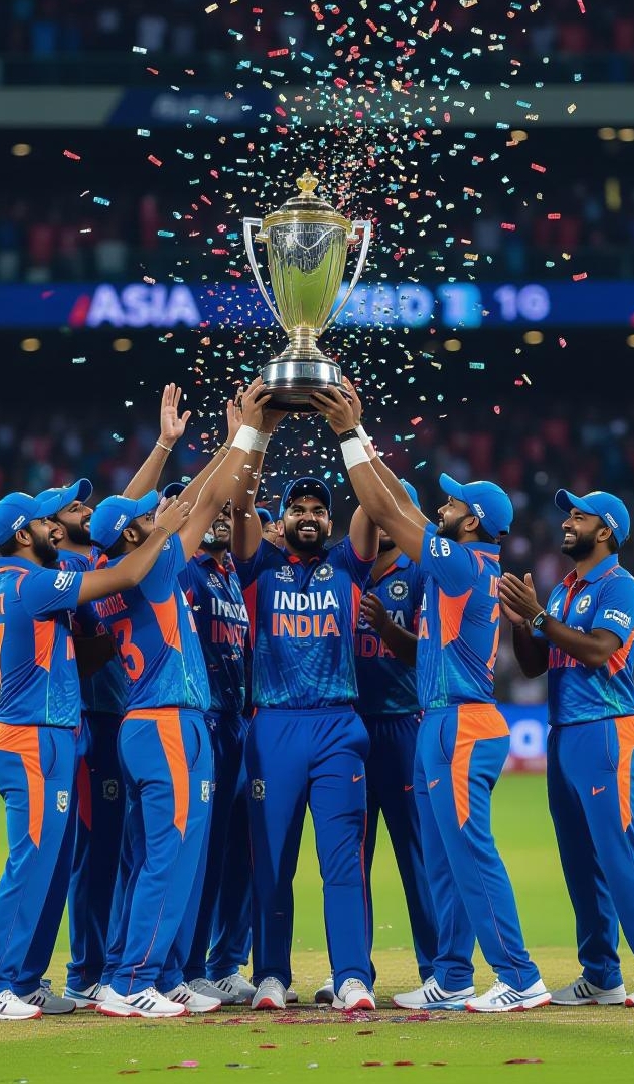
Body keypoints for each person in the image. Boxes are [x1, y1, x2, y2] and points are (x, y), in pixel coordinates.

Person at [312, 383, 549, 1013]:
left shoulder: (462, 566)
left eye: (452, 503)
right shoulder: (464, 564)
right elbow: (396, 507)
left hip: (461, 724)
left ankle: (519, 976)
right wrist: (362, 438)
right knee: (443, 858)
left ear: (470, 522)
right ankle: (451, 975)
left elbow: (387, 513)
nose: (441, 507)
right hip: (442, 719)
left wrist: (350, 434)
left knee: (468, 854)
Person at [0, 485, 190, 1020]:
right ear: (25, 534)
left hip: (44, 736)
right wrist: (163, 530)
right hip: (33, 738)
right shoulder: (34, 584)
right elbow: (124, 576)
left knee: (47, 866)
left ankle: (20, 981)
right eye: (46, 522)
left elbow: (72, 651)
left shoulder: (15, 584)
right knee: (30, 866)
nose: (55, 529)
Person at [91, 380, 271, 1019]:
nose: (157, 517)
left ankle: (152, 973)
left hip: (149, 722)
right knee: (169, 859)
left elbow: (178, 507)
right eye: (146, 519)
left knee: (153, 857)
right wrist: (243, 437)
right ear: (132, 536)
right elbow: (205, 502)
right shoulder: (157, 568)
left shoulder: (118, 575)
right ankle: (133, 981)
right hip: (169, 723)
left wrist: (202, 445)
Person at [498, 489, 634, 1008]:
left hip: (607, 732)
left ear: (604, 531)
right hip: (564, 733)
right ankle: (602, 974)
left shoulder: (620, 587)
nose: (567, 522)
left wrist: (539, 618)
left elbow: (600, 650)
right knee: (580, 862)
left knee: (619, 854)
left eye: (579, 517)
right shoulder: (564, 590)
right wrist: (522, 623)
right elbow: (535, 666)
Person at [33, 383, 192, 1011]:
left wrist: (164, 445)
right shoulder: (65, 574)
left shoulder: (94, 562)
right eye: (73, 508)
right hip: (94, 720)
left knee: (123, 850)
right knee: (93, 855)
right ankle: (87, 969)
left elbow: (125, 513)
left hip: (117, 715)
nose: (85, 508)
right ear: (51, 528)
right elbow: (124, 527)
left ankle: (106, 964)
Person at [230, 403, 380, 1012]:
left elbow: (375, 503)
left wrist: (352, 429)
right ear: (284, 517)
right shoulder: (258, 567)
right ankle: (271, 975)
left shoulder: (348, 566)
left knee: (343, 861)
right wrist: (255, 434)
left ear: (331, 520)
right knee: (272, 862)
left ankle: (352, 977)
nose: (309, 517)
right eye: (298, 509)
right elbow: (241, 508)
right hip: (274, 726)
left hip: (339, 725)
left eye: (319, 510)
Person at [315, 480, 439, 1008]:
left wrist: (386, 628)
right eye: (375, 513)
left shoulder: (422, 575)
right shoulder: (341, 569)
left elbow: (429, 654)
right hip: (349, 728)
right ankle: (350, 971)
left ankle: (438, 970)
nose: (383, 523)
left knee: (418, 856)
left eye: (390, 514)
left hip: (403, 726)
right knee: (349, 857)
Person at [174, 495, 255, 1005]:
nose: (221, 520)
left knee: (234, 852)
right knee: (198, 853)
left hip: (236, 722)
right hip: (202, 719)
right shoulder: (187, 570)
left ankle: (220, 964)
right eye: (213, 511)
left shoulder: (228, 576)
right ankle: (185, 968)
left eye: (228, 513)